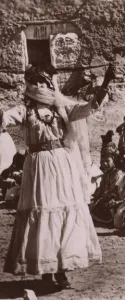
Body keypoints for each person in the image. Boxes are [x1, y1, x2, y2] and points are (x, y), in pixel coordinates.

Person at [2, 63, 114, 288]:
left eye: (43, 82)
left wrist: (106, 83)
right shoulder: (24, 110)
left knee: (63, 210)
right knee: (42, 212)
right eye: (35, 82)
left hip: (61, 164)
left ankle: (62, 269)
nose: (39, 86)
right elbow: (4, 119)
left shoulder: (61, 107)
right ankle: (46, 270)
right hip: (38, 167)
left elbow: (87, 108)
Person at [90, 143, 124, 224]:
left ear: (114, 159)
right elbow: (101, 189)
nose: (104, 164)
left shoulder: (118, 173)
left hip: (114, 200)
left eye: (107, 161)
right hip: (105, 198)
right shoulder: (106, 173)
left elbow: (115, 191)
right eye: (102, 161)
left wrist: (103, 197)